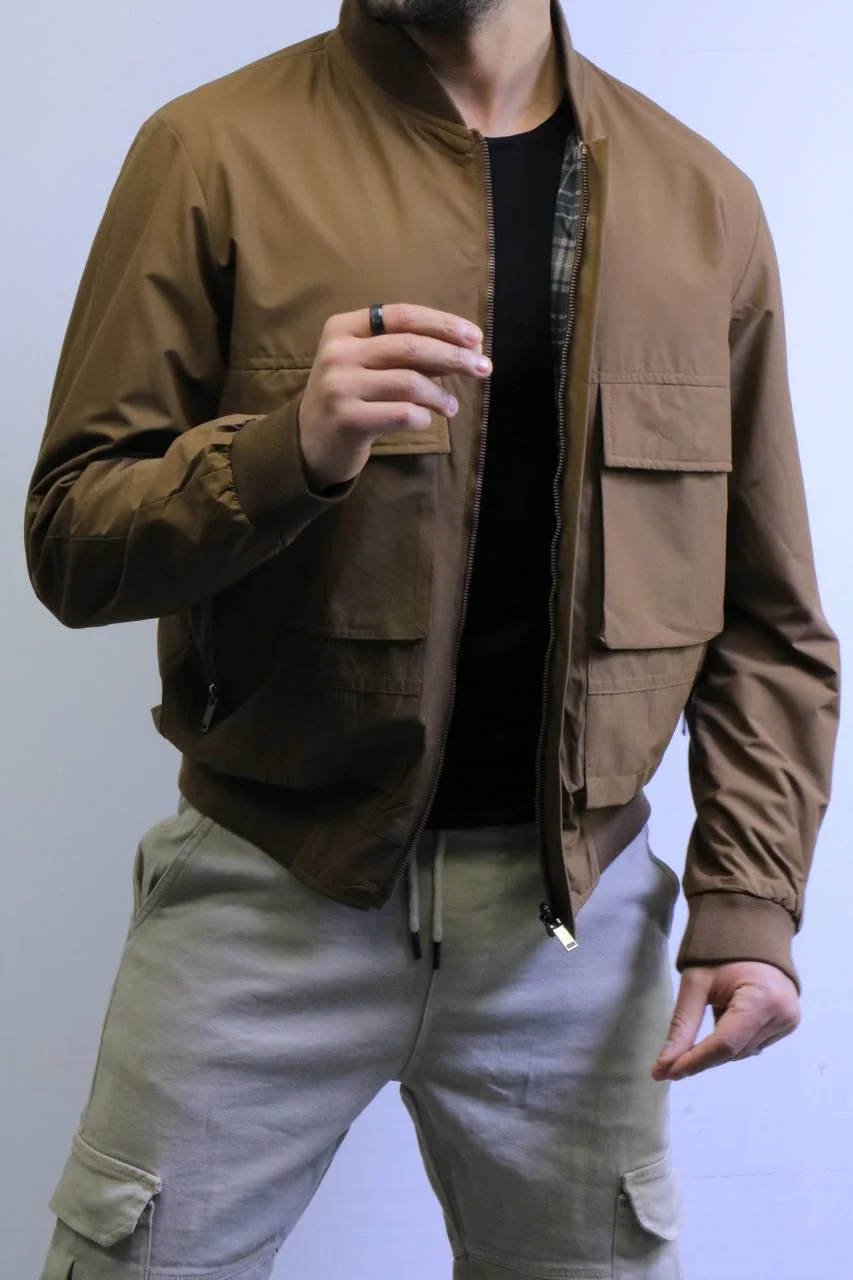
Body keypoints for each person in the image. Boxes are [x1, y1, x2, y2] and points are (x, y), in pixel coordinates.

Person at [26, 0, 839, 1276]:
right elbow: (71, 540)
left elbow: (767, 616)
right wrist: (287, 450)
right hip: (265, 889)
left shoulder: (702, 201)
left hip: (575, 926)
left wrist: (748, 902)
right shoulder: (210, 151)